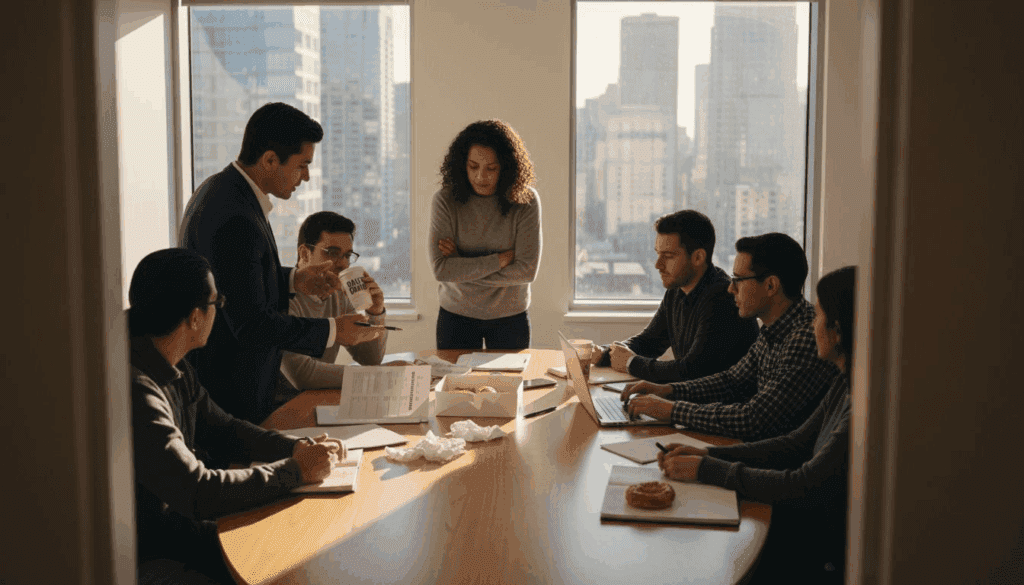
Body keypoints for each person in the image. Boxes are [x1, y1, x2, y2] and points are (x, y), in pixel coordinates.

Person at [129, 248, 345, 585]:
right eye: (218, 303)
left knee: (293, 550)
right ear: (195, 318)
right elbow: (197, 490)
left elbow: (224, 429)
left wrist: (294, 448)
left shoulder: (170, 359)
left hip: (176, 531)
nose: (220, 311)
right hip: (149, 553)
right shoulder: (138, 390)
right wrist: (295, 470)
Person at [179, 102, 383, 423]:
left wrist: (293, 280)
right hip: (232, 389)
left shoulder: (222, 191)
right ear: (270, 159)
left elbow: (235, 281)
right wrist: (333, 330)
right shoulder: (236, 216)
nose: (307, 177)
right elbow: (251, 322)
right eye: (302, 165)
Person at [657, 266, 856, 584]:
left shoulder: (861, 402)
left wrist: (707, 469)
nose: (812, 324)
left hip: (815, 545)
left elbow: (805, 482)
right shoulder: (844, 382)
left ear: (838, 331)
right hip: (795, 511)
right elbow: (796, 441)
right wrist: (708, 454)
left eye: (819, 317)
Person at [622, 233, 838, 441]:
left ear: (771, 285)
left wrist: (673, 410)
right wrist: (668, 391)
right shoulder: (776, 327)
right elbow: (732, 380)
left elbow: (753, 418)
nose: (730, 288)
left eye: (739, 279)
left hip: (777, 464)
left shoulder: (804, 337)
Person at [591, 209, 759, 383]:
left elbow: (691, 371)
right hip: (693, 401)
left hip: (720, 407)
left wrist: (631, 363)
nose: (658, 265)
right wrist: (603, 354)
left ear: (698, 257)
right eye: (658, 254)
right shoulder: (677, 290)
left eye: (668, 256)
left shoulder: (722, 298)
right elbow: (650, 342)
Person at [429, 119, 542, 350]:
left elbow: (527, 271)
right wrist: (498, 261)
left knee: (510, 385)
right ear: (462, 164)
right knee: (454, 386)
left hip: (510, 317)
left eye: (492, 168)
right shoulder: (445, 200)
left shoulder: (526, 201)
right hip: (456, 315)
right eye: (473, 167)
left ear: (507, 168)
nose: (481, 176)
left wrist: (461, 264)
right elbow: (442, 270)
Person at [280, 211, 389, 389]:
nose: (343, 264)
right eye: (332, 253)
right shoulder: (283, 297)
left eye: (347, 256)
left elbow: (370, 358)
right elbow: (302, 375)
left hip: (320, 398)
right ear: (305, 254)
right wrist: (379, 376)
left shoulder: (338, 295)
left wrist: (375, 311)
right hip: (283, 407)